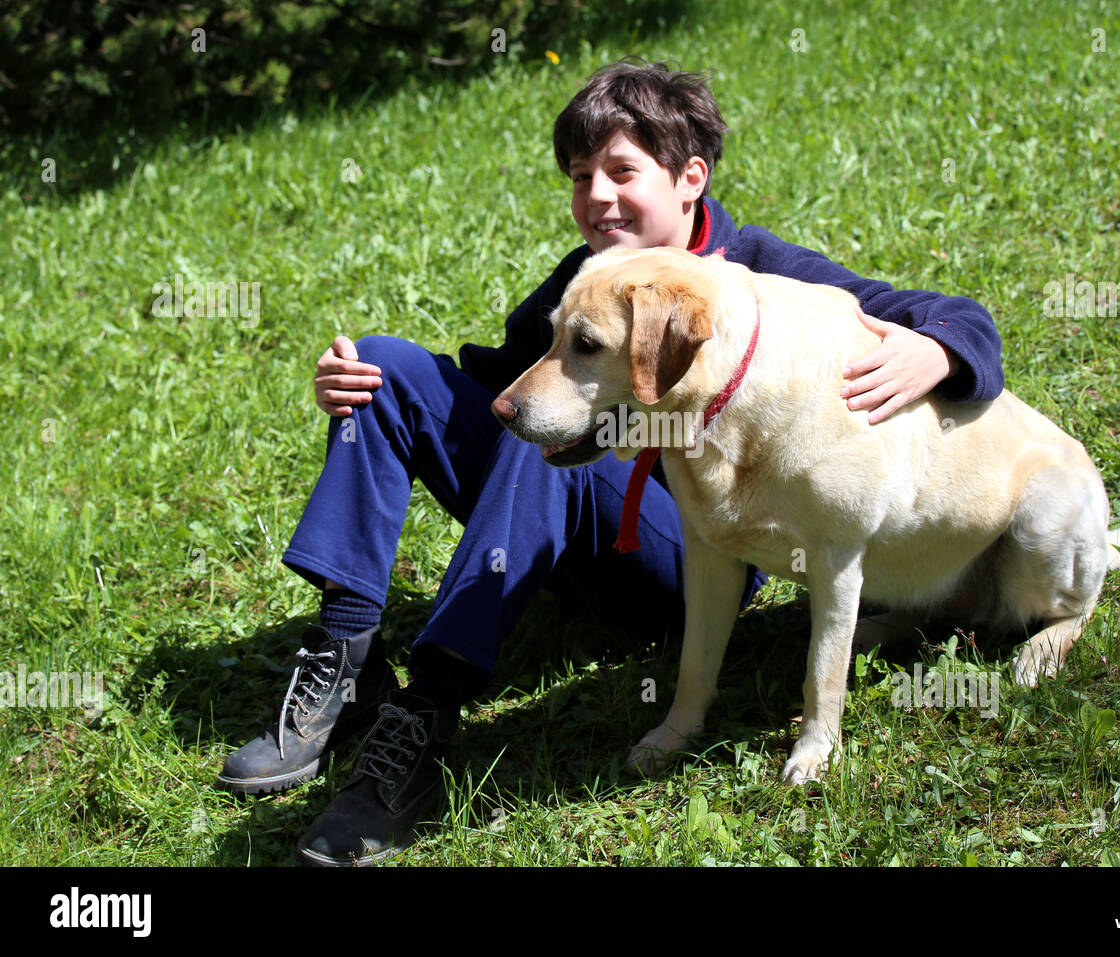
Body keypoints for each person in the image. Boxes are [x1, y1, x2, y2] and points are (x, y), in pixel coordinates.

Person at [216, 60, 1004, 865]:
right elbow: (498, 385)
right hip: (580, 516)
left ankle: (424, 715)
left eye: (623, 171)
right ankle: (347, 665)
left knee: (550, 452)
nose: (596, 196)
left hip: (686, 565)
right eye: (580, 175)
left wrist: (941, 348)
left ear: (690, 177)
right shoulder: (586, 278)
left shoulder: (763, 275)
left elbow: (954, 313)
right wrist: (359, 388)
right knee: (386, 369)